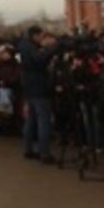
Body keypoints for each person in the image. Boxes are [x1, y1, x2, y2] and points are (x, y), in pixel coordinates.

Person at [18, 27, 60, 164]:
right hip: (39, 87)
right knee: (43, 121)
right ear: (35, 35)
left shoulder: (24, 46)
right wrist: (54, 48)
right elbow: (39, 59)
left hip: (29, 88)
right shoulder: (31, 48)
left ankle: (28, 148)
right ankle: (44, 152)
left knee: (31, 120)